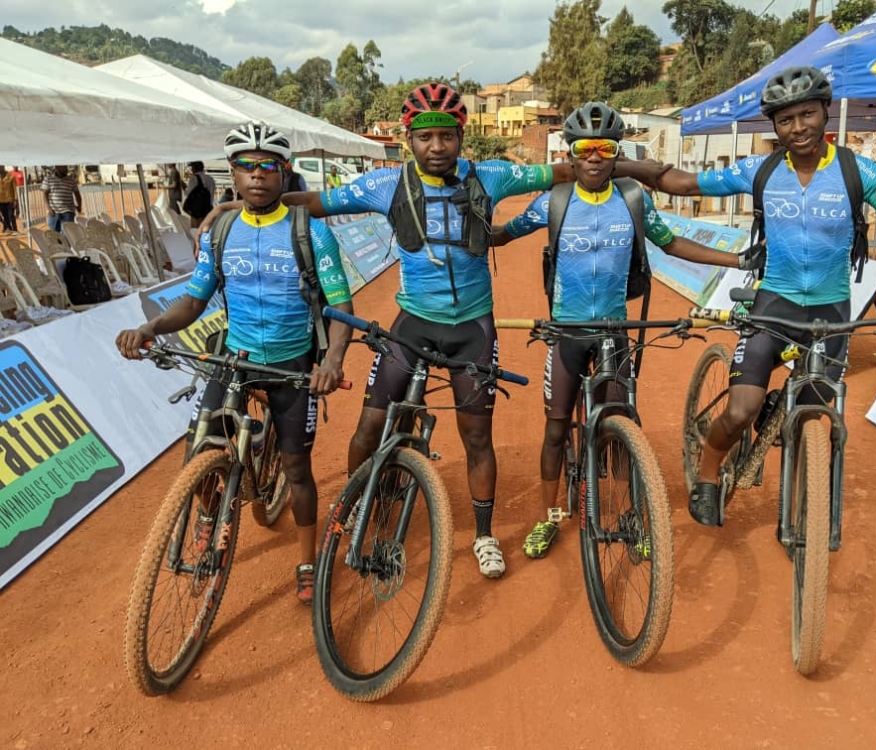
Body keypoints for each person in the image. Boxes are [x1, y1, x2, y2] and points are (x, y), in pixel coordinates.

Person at [199, 83, 672, 579]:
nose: (437, 147)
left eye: (447, 136)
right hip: (412, 324)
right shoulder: (387, 184)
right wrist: (238, 207)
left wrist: (639, 170)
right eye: (425, 137)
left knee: (477, 438)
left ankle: (484, 536)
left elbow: (568, 169)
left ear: (461, 137)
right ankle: (356, 504)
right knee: (367, 427)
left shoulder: (490, 176)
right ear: (409, 140)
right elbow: (317, 201)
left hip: (473, 328)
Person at [645, 65, 876, 527]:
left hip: (830, 312)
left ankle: (797, 501)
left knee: (814, 413)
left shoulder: (858, 172)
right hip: (773, 305)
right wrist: (620, 166)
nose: (798, 127)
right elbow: (683, 184)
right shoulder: (761, 170)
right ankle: (708, 474)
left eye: (807, 114)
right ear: (774, 126)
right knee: (741, 411)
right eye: (785, 120)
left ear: (826, 112)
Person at [491, 102, 756, 559]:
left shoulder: (633, 199)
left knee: (622, 422)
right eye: (584, 149)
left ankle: (632, 513)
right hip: (567, 331)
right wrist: (462, 226)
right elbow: (503, 234)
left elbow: (672, 243)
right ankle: (548, 516)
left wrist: (736, 258)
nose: (594, 158)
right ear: (570, 155)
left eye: (605, 148)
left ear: (617, 153)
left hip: (616, 331)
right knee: (556, 428)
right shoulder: (553, 202)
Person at [116, 122, 355, 604]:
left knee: (297, 468)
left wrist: (331, 361)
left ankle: (307, 561)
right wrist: (150, 327)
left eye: (267, 166)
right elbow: (193, 301)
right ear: (232, 171)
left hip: (293, 364)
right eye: (246, 166)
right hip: (236, 359)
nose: (257, 175)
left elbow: (341, 307)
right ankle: (207, 516)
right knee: (201, 448)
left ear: (284, 171)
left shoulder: (312, 233)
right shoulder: (222, 233)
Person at [41, 165, 82, 232]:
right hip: (54, 212)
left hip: (68, 211)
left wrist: (79, 206)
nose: (66, 169)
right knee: (55, 235)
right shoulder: (48, 179)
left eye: (66, 167)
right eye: (63, 167)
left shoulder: (71, 180)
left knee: (67, 233)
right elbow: (45, 194)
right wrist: (49, 208)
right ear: (57, 168)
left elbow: (77, 194)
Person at [181, 161, 216, 229]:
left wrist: (184, 188)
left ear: (194, 168)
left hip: (196, 211)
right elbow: (211, 195)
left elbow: (188, 194)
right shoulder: (210, 179)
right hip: (208, 209)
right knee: (206, 229)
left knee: (196, 230)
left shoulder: (194, 178)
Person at [0, 166, 17, 234]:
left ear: (3, 167)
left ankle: (15, 229)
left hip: (10, 199)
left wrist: (16, 199)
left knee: (11, 215)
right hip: (1, 200)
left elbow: (15, 189)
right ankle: (9, 228)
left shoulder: (11, 176)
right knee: (5, 216)